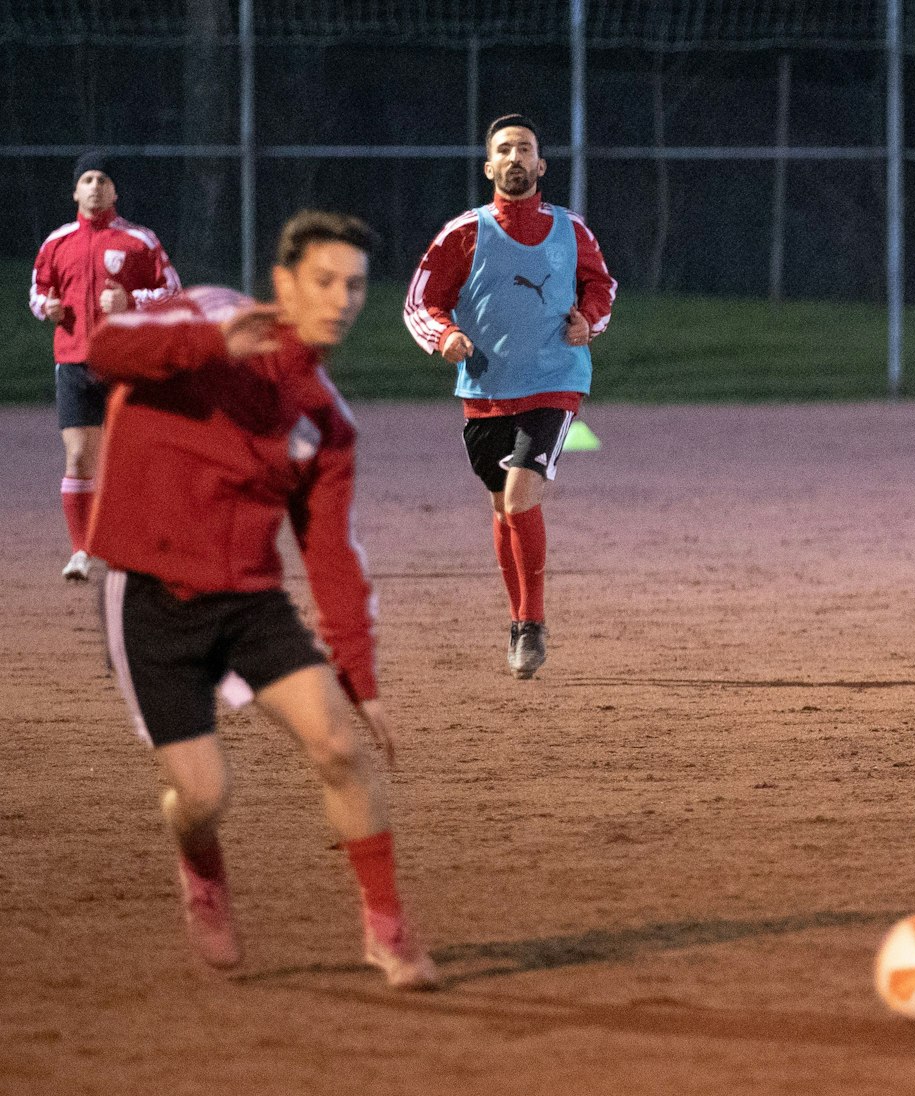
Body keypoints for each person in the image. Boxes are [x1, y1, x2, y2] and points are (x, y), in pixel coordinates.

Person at [85, 210, 437, 990]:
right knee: (203, 794)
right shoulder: (206, 311)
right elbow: (103, 350)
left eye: (354, 285)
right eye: (324, 281)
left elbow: (330, 554)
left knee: (339, 745)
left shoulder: (327, 421)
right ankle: (199, 862)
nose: (342, 298)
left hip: (249, 602)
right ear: (283, 283)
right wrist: (208, 345)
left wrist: (360, 676)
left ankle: (387, 930)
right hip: (153, 596)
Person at [404, 113, 617, 679]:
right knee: (502, 508)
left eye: (525, 148)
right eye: (505, 149)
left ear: (541, 165)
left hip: (556, 380)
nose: (516, 157)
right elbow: (421, 301)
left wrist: (589, 321)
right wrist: (444, 336)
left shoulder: (572, 229)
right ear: (489, 166)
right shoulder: (462, 233)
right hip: (485, 389)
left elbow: (602, 285)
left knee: (521, 497)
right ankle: (517, 615)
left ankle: (531, 624)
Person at [30, 150, 180, 581]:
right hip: (74, 363)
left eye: (103, 180)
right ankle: (82, 552)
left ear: (116, 190)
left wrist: (131, 301)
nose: (95, 187)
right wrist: (48, 307)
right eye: (88, 179)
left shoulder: (140, 241)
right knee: (78, 458)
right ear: (75, 189)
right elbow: (38, 293)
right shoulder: (56, 243)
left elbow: (172, 291)